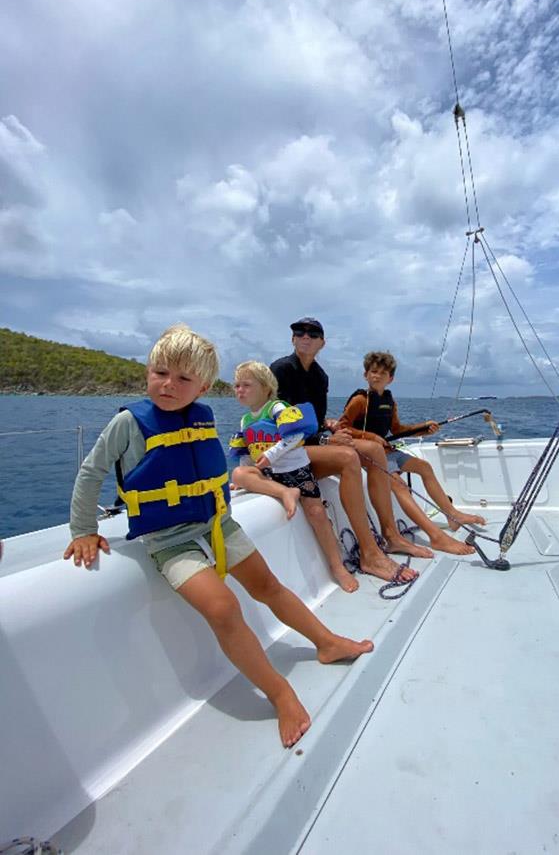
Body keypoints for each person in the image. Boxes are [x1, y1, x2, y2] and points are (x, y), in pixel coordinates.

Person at [64, 324, 373, 748]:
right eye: (159, 373)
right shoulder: (128, 423)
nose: (168, 385)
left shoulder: (202, 415)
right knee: (224, 608)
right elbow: (91, 472)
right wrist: (84, 529)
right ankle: (280, 692)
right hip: (170, 540)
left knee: (268, 586)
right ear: (148, 372)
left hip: (216, 523)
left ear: (204, 386)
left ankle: (327, 642)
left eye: (183, 379)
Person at [270, 318, 429, 583]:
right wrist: (325, 440)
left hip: (310, 445)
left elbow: (315, 420)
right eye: (299, 332)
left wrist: (331, 429)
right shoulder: (281, 369)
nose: (305, 336)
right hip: (284, 452)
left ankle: (391, 536)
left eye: (313, 333)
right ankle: (369, 554)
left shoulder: (321, 376)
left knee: (375, 450)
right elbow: (277, 423)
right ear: (292, 339)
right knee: (348, 457)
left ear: (322, 342)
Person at [338, 350, 486, 556]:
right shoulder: (360, 401)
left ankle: (453, 515)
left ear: (391, 378)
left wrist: (423, 428)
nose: (377, 376)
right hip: (369, 455)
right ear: (365, 375)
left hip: (387, 450)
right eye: (373, 371)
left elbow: (397, 429)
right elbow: (341, 428)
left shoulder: (390, 401)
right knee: (399, 485)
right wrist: (370, 438)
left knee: (424, 467)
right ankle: (435, 537)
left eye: (382, 372)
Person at [229, 360, 359, 593]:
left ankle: (337, 566)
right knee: (239, 474)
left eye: (246, 385)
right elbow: (248, 454)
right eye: (237, 385)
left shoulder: (276, 408)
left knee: (316, 512)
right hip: (270, 473)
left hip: (295, 470)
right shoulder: (245, 420)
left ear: (266, 387)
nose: (240, 390)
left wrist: (270, 454)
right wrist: (248, 471)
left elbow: (295, 435)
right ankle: (283, 492)